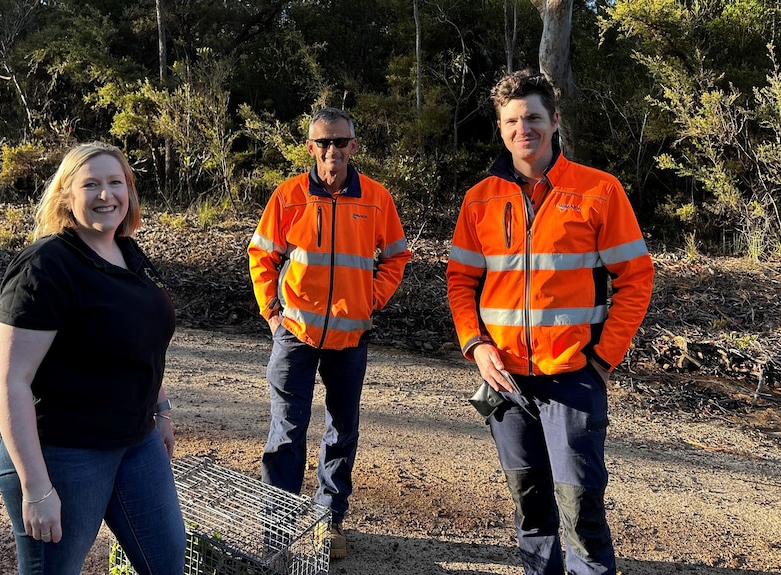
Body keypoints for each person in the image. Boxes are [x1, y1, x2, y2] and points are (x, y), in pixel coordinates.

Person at [446, 70, 654, 575]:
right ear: (501, 128)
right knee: (531, 507)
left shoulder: (599, 191)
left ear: (554, 120)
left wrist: (602, 360)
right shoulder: (479, 199)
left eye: (534, 117)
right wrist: (476, 346)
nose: (524, 129)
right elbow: (459, 283)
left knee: (580, 508)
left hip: (572, 380)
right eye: (513, 120)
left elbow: (637, 278)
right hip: (506, 382)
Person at [0, 141, 186, 575]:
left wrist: (161, 408)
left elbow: (140, 341)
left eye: (115, 182)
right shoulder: (46, 266)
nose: (105, 195)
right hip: (62, 449)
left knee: (166, 561)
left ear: (129, 192)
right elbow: (10, 381)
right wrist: (37, 488)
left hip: (135, 440)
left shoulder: (128, 253)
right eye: (90, 184)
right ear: (66, 196)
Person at [248, 107, 411, 560]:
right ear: (311, 148)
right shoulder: (288, 195)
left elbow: (396, 256)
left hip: (350, 338)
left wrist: (370, 299)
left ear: (354, 147)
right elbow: (261, 255)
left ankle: (328, 521)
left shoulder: (376, 198)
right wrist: (272, 314)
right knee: (286, 432)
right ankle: (276, 531)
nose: (332, 150)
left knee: (341, 431)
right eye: (324, 142)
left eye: (340, 142)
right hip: (294, 335)